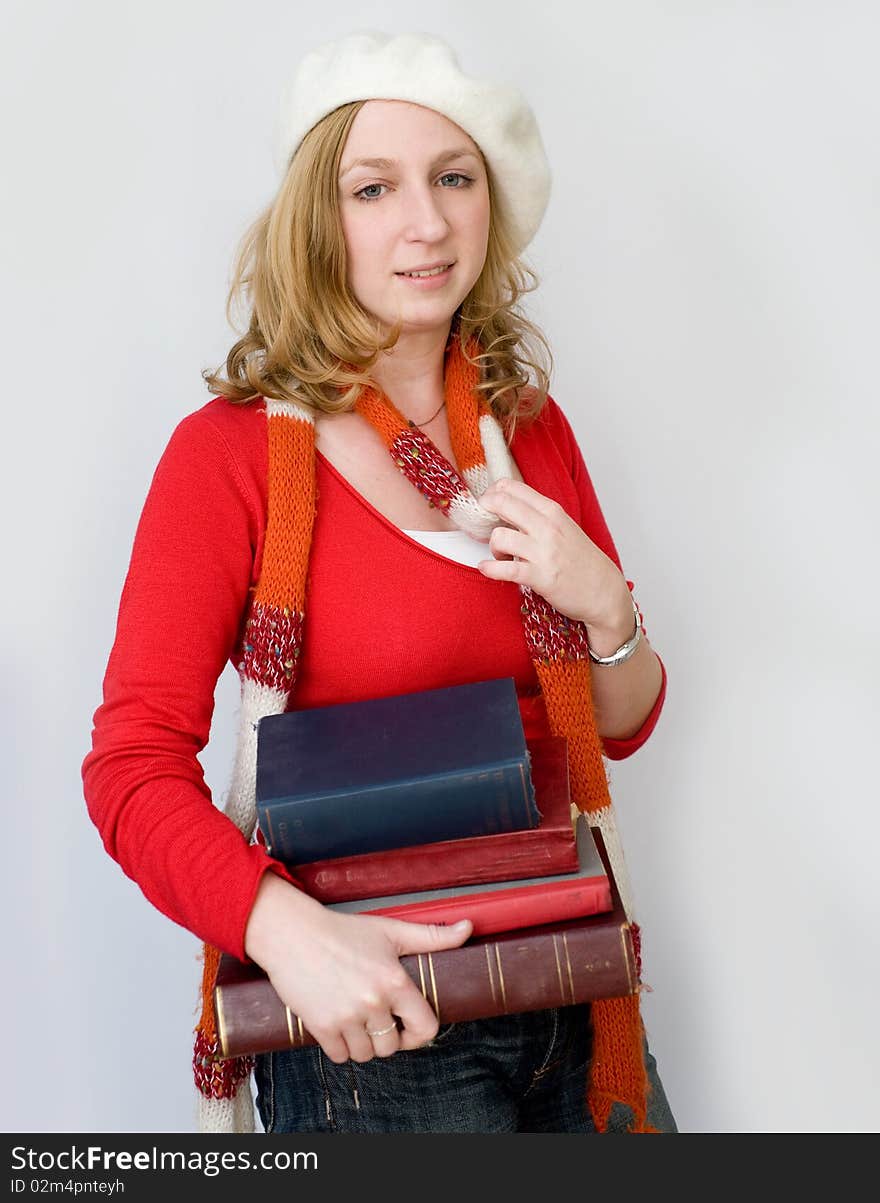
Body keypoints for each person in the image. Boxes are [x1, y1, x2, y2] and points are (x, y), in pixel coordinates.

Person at [82, 30, 677, 1135]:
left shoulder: (527, 435)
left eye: (454, 179)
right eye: (374, 188)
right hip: (373, 1030)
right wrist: (285, 933)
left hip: (576, 983)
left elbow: (620, 722)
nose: (428, 222)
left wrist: (607, 607)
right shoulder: (230, 458)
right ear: (319, 220)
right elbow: (130, 769)